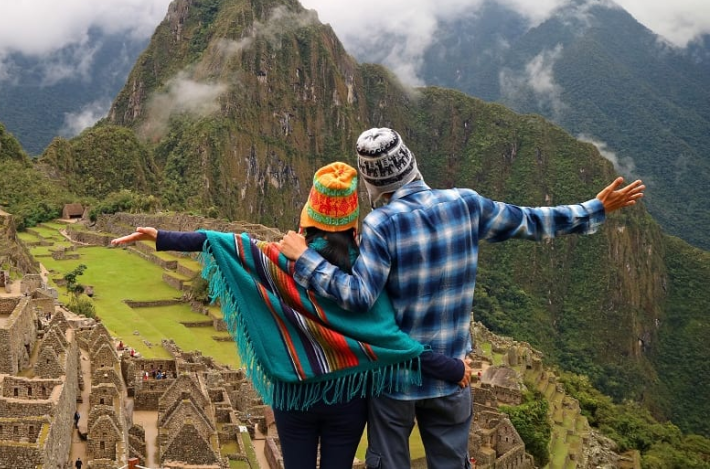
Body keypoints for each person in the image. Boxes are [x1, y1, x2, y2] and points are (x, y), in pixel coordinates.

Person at [279, 128, 645, 469]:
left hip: (395, 382)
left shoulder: (382, 224)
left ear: (372, 187)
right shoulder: (466, 204)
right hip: (452, 376)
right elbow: (531, 221)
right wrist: (593, 209)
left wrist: (306, 259)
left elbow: (358, 296)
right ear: (413, 165)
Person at [113, 162, 468, 469]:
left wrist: (161, 236)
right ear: (353, 226)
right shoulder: (365, 272)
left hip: (293, 395)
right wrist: (452, 368)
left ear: (308, 219)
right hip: (347, 397)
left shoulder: (277, 261)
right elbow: (393, 342)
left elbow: (226, 243)